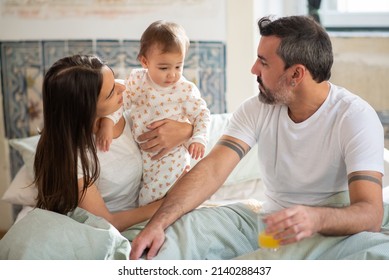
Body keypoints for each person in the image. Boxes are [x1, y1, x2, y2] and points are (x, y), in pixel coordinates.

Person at [130, 15, 385, 260]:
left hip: (330, 231)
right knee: (181, 232)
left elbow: (370, 214)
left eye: (263, 62)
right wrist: (157, 223)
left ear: (296, 74)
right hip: (268, 224)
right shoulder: (257, 108)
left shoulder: (355, 117)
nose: (254, 69)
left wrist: (315, 218)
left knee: (374, 254)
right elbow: (212, 170)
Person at [33, 54, 193, 232]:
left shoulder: (129, 107)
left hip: (156, 207)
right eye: (111, 92)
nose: (123, 88)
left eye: (115, 79)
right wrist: (174, 200)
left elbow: (192, 114)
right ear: (85, 109)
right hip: (118, 228)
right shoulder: (72, 157)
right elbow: (108, 222)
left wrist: (187, 130)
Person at [96, 20, 210, 206]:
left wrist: (199, 138)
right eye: (164, 68)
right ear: (145, 61)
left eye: (178, 66)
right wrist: (107, 122)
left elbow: (202, 114)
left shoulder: (185, 90)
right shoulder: (137, 81)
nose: (172, 75)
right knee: (146, 196)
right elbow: (120, 102)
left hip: (172, 157)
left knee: (158, 198)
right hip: (146, 158)